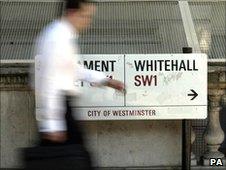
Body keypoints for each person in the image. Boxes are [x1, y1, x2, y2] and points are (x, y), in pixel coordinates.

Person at [24, 0, 125, 169]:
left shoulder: (62, 35)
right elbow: (48, 81)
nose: (88, 21)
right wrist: (52, 124)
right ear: (72, 12)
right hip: (60, 108)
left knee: (62, 159)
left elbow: (73, 69)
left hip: (62, 108)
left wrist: (105, 80)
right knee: (75, 158)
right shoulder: (56, 37)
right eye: (85, 16)